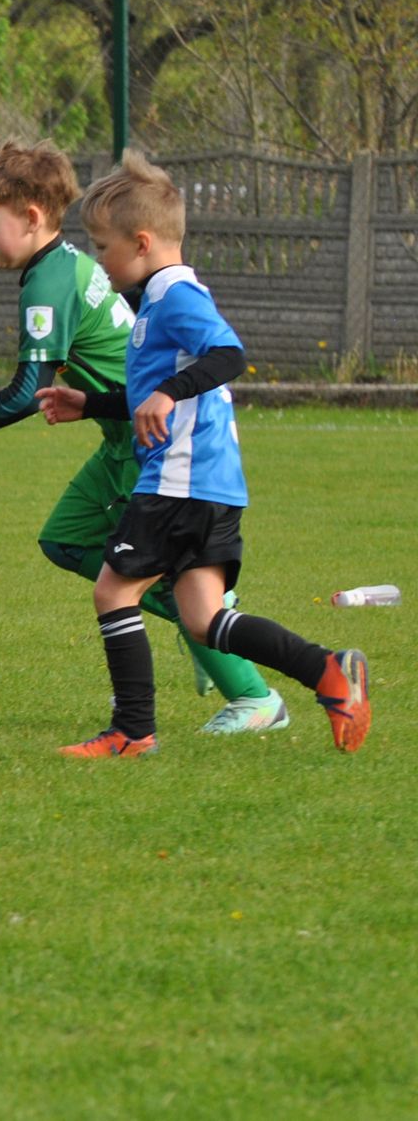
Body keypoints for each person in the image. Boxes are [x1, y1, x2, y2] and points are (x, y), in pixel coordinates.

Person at [0, 141, 286, 735]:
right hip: (116, 435)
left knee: (137, 584)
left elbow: (21, 396)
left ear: (32, 217)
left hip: (145, 447)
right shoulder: (72, 265)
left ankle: (250, 689)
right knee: (64, 539)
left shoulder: (49, 284)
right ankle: (198, 617)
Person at [37, 151, 370, 755]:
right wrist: (92, 403)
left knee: (114, 593)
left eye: (102, 245)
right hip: (211, 486)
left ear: (141, 243)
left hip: (178, 483)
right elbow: (154, 397)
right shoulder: (159, 303)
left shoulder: (176, 297)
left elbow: (228, 355)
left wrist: (164, 391)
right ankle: (329, 671)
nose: (97, 259)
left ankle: (132, 731)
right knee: (204, 619)